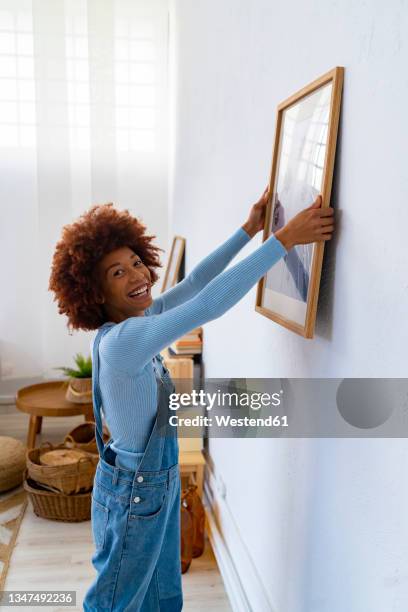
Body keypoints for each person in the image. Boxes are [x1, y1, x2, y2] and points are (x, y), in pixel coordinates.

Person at [48, 187, 334, 611]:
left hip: (152, 487)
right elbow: (207, 304)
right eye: (117, 273)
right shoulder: (123, 341)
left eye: (136, 262)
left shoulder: (139, 320)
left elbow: (197, 282)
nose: (137, 275)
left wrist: (249, 229)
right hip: (134, 494)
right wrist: (284, 240)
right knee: (116, 602)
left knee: (163, 598)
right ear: (94, 293)